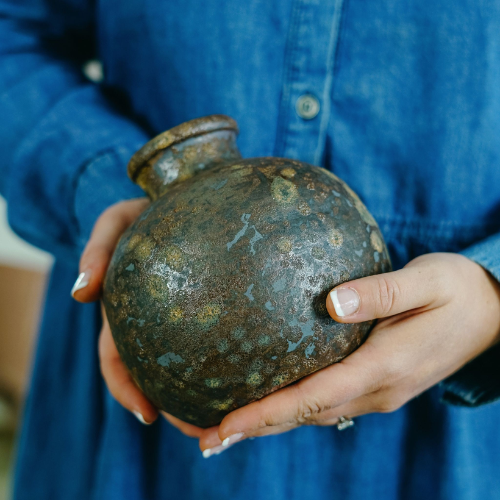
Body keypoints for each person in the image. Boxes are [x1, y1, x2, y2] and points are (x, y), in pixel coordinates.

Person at [1, 0, 500, 498]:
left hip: (446, 388)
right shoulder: (146, 251)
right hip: (147, 374)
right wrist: (103, 186)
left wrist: (490, 289)